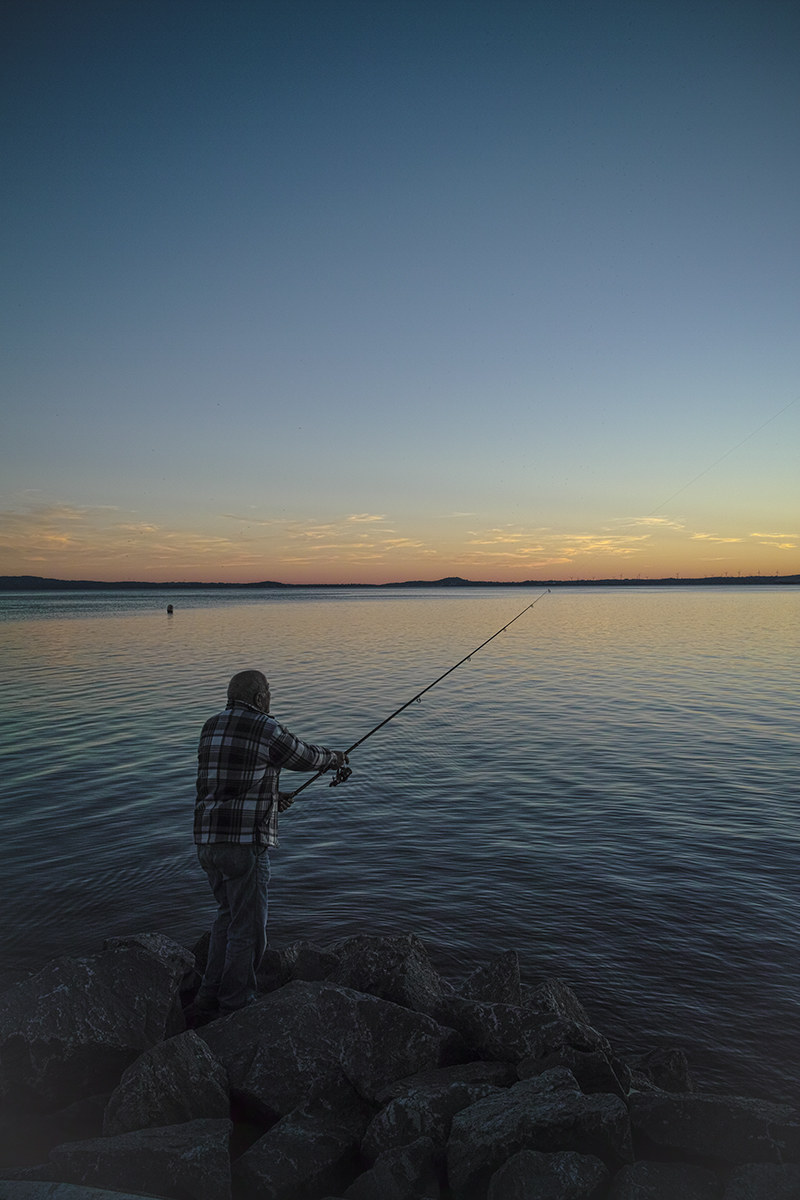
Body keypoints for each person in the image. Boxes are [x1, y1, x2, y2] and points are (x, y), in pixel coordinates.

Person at [190, 668, 347, 1022]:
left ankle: (206, 997)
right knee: (247, 929)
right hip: (243, 846)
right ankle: (235, 1006)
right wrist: (334, 757)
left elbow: (226, 782)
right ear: (261, 697)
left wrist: (272, 797)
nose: (270, 699)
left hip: (207, 841)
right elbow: (304, 756)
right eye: (269, 693)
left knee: (226, 918)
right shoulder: (265, 727)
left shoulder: (210, 726)